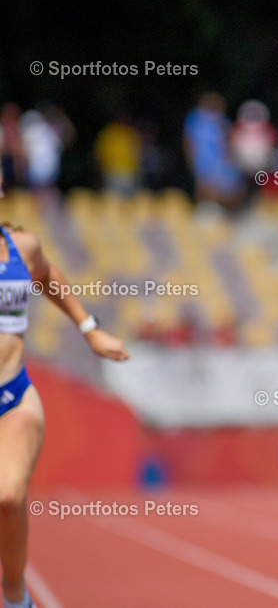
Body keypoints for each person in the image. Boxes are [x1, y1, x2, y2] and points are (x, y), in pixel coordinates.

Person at [0, 211, 129, 608]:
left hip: (13, 398)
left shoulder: (22, 247)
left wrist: (90, 329)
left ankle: (16, 594)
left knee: (7, 497)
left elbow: (48, 274)